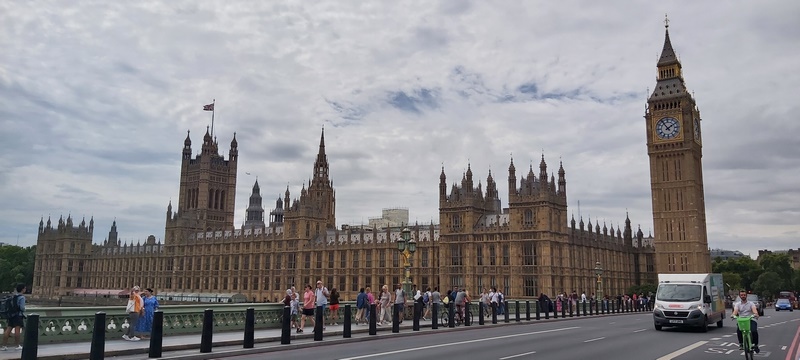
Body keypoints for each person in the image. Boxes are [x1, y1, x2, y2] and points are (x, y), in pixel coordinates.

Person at [1, 284, 26, 351]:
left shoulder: (13, 296)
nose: (25, 290)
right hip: (18, 315)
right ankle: (17, 345)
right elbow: (22, 308)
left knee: (8, 330)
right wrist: (24, 310)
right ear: (22, 289)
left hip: (11, 315)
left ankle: (4, 346)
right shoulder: (22, 297)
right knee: (17, 330)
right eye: (24, 288)